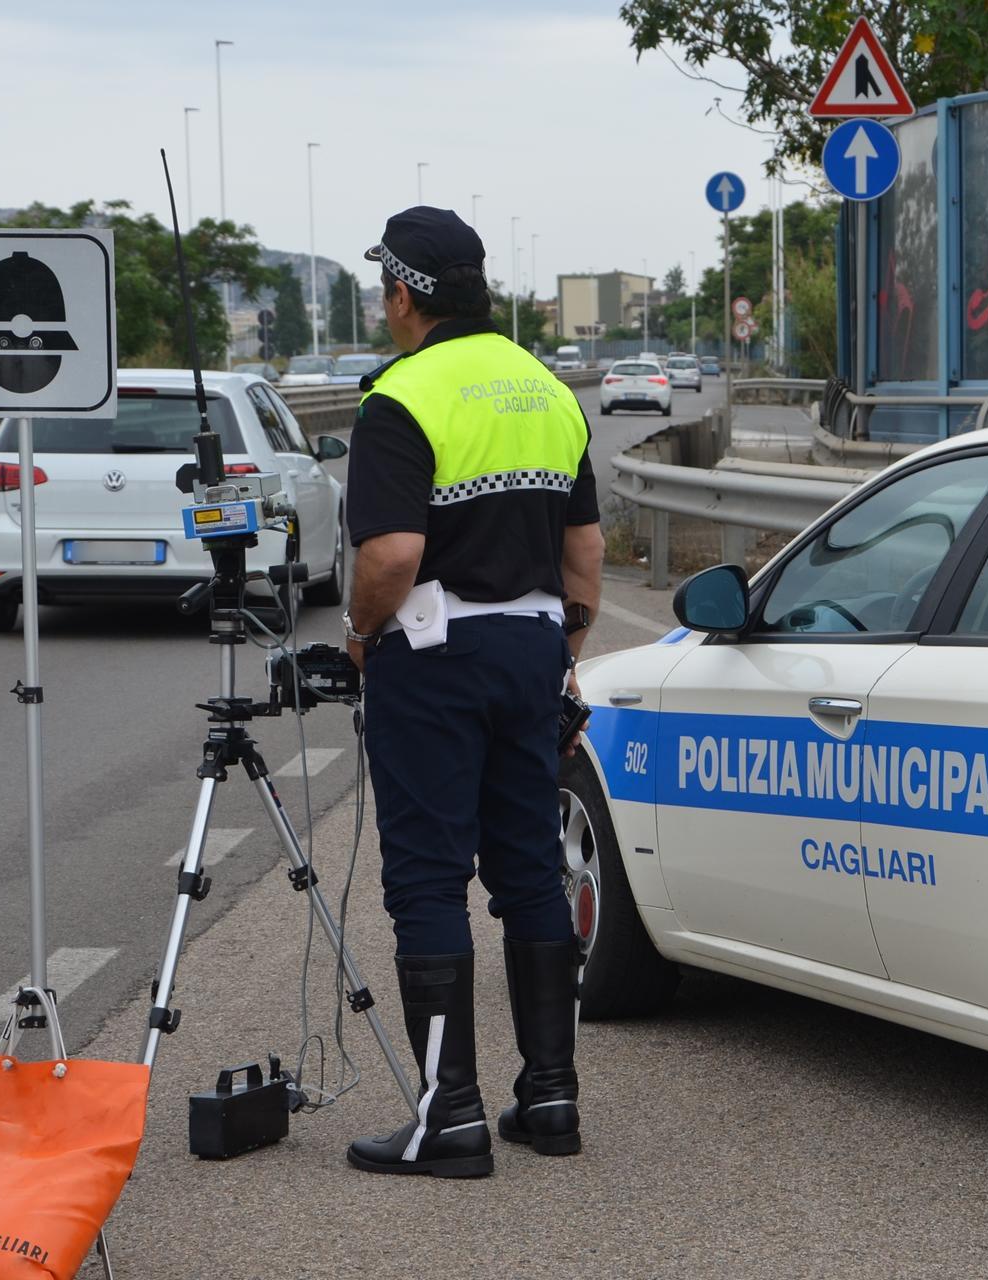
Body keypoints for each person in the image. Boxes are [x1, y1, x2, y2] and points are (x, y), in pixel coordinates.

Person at [338, 206, 603, 1178]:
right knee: (531, 867)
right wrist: (563, 643)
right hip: (533, 652)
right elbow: (585, 551)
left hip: (433, 658)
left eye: (384, 289)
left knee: (427, 878)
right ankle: (551, 1093)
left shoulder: (400, 399)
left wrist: (364, 633)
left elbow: (393, 552)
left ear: (404, 295)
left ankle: (449, 1114)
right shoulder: (549, 390)